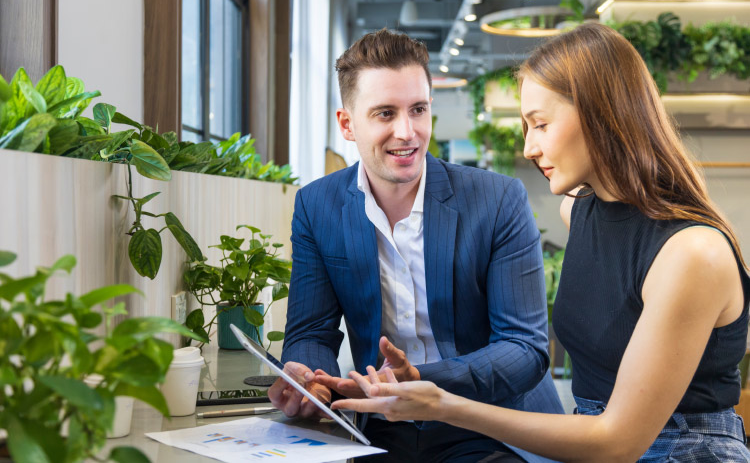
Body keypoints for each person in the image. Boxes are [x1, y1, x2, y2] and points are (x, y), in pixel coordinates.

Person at [331, 23, 750, 463]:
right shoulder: (580, 211)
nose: (529, 147)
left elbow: (618, 442)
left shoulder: (692, 254)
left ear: (602, 115)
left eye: (541, 124)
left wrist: (444, 405)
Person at [268, 28, 564, 463]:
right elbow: (311, 332)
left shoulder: (498, 200)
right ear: (347, 125)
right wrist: (308, 378)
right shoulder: (318, 205)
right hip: (381, 424)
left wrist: (421, 378)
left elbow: (525, 349)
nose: (406, 132)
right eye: (385, 113)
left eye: (418, 110)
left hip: (488, 422)